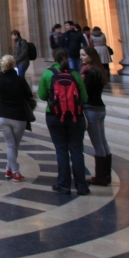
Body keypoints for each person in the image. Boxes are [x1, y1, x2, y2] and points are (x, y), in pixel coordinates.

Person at [37, 49, 89, 195]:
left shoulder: (48, 73)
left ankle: (64, 185)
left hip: (55, 116)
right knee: (77, 151)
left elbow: (41, 95)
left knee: (61, 150)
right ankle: (81, 186)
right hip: (75, 117)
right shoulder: (75, 75)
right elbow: (84, 98)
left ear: (54, 58)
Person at [0, 54, 34, 182]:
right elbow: (29, 95)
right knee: (13, 145)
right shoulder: (19, 80)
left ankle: (8, 169)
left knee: (12, 145)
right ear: (13, 65)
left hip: (3, 115)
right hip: (18, 116)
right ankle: (15, 172)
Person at [80, 46, 111, 185]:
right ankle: (106, 175)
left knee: (98, 143)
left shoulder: (91, 73)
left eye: (83, 55)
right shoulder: (98, 71)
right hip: (99, 107)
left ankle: (101, 177)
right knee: (103, 142)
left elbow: (85, 92)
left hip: (92, 109)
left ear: (90, 57)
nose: (81, 57)